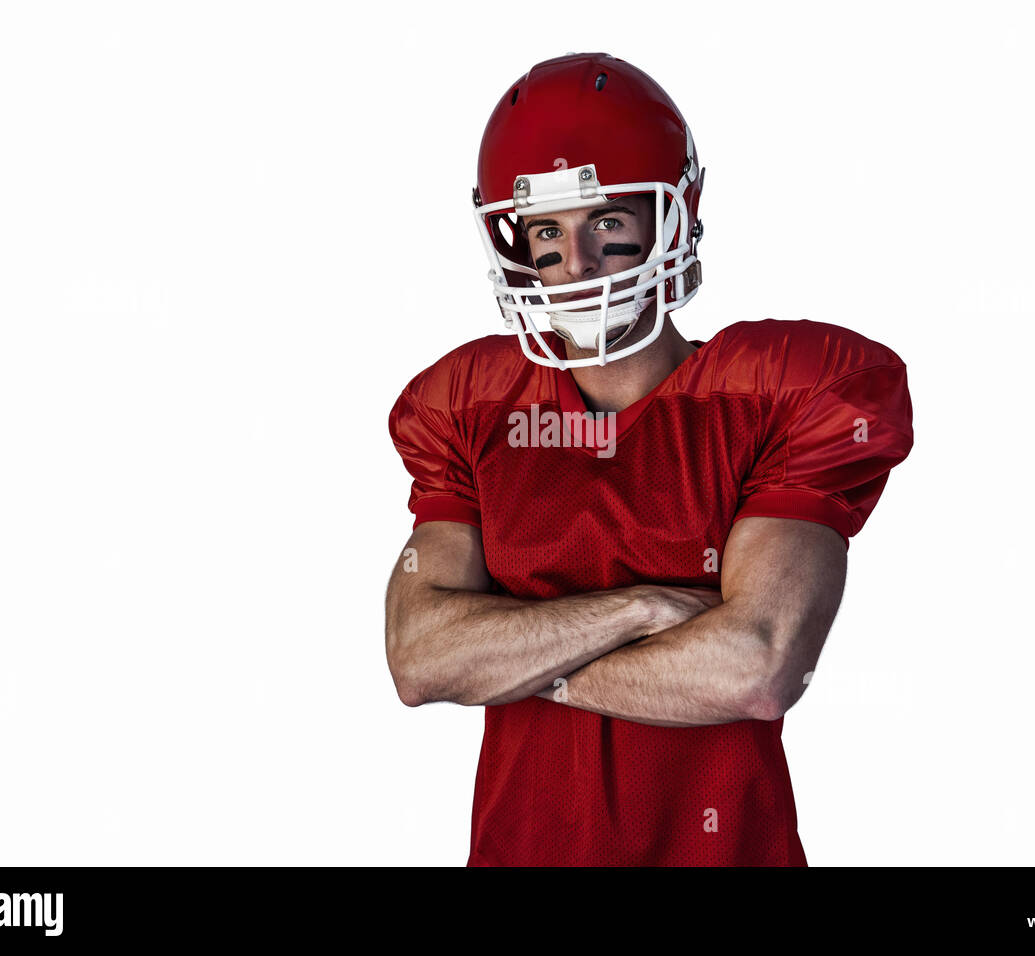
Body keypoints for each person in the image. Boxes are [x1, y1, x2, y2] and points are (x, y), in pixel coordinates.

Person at [385, 52, 914, 866]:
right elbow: (421, 658)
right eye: (547, 231)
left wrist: (515, 659)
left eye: (606, 222)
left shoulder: (777, 396)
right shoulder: (473, 409)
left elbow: (759, 667)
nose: (577, 262)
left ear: (672, 218)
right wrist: (641, 610)